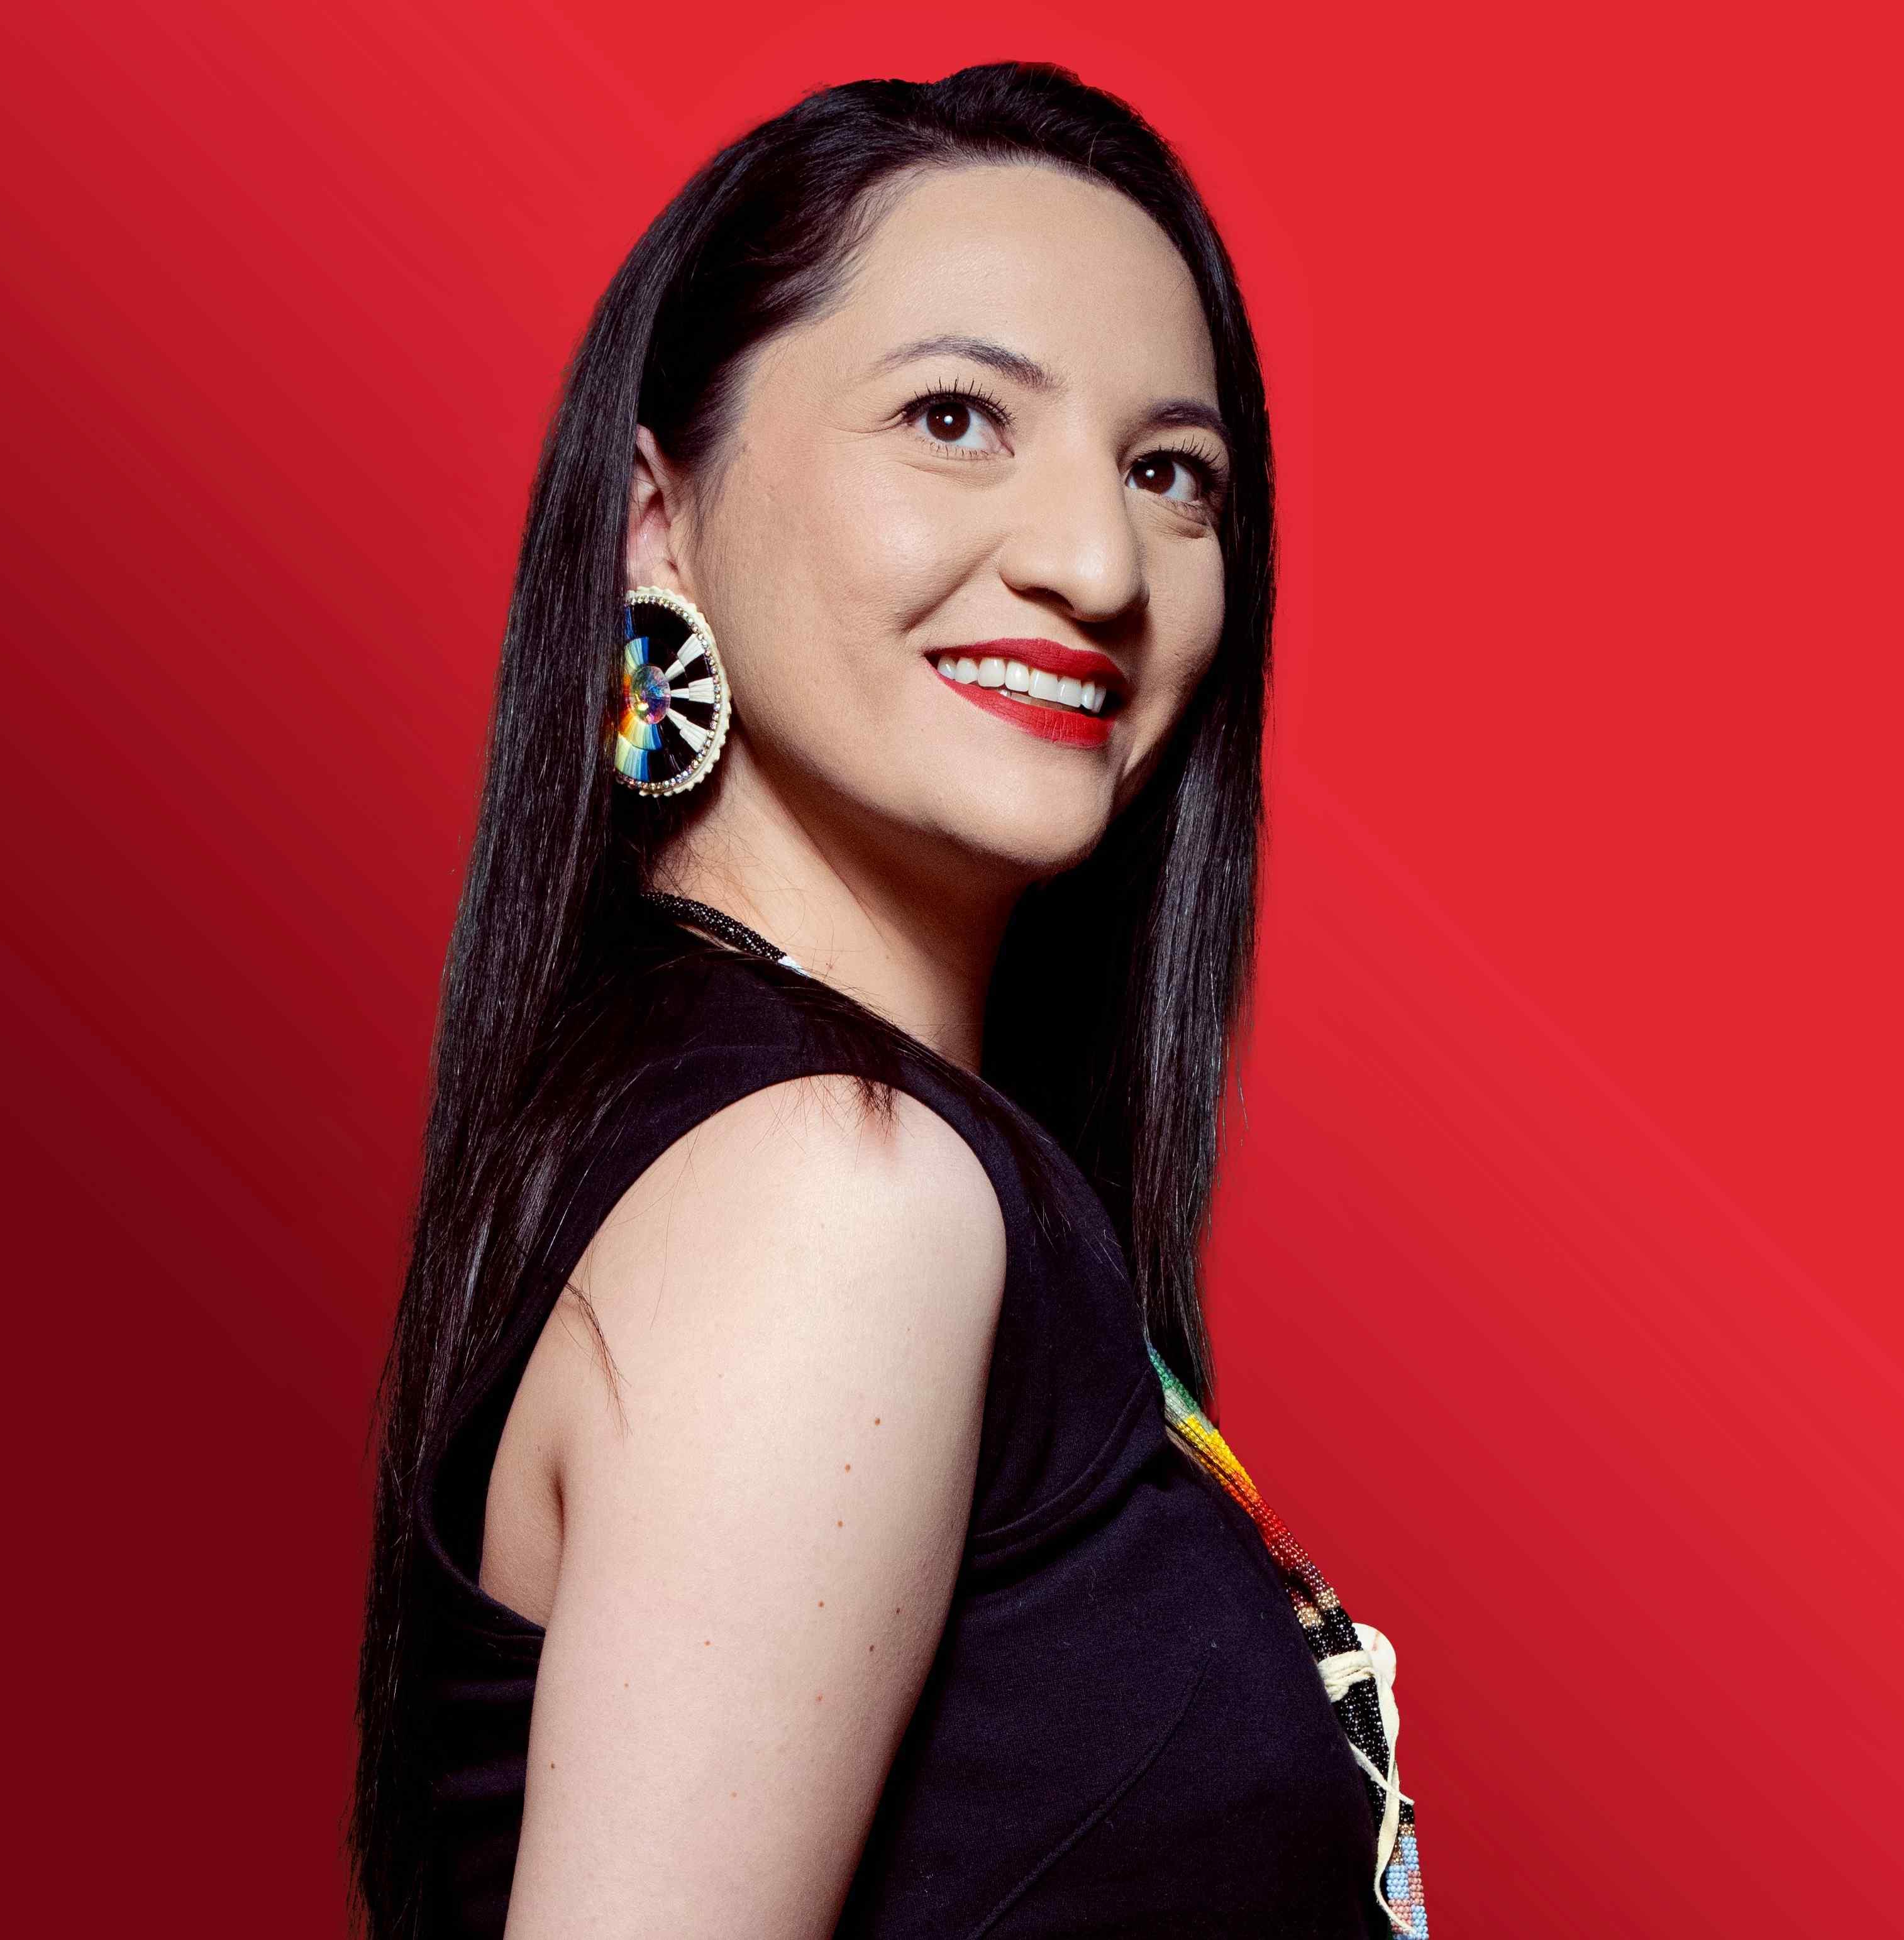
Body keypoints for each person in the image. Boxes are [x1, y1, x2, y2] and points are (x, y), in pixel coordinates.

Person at [351, 60, 1427, 1940]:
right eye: (954, 419)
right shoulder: (832, 1193)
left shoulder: (764, 1137)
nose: (1095, 565)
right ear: (656, 521)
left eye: (1168, 474)